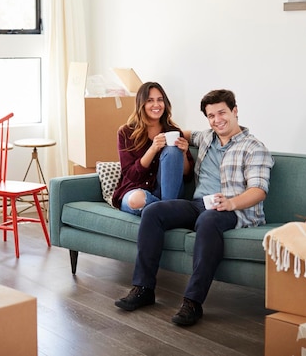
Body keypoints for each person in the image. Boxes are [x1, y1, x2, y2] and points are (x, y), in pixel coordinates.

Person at [114, 89, 274, 326]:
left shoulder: (254, 148)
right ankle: (143, 288)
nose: (217, 120)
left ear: (235, 111)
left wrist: (230, 202)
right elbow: (180, 133)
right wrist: (169, 139)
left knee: (207, 221)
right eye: (211, 116)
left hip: (231, 210)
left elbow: (258, 191)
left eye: (222, 113)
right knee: (153, 211)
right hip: (198, 204)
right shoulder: (207, 137)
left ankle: (192, 302)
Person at [112, 82, 194, 215]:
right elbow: (131, 174)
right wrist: (153, 149)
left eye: (160, 100)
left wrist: (183, 154)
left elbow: (187, 176)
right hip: (137, 189)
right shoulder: (126, 133)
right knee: (136, 200)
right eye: (150, 100)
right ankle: (169, 212)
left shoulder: (174, 131)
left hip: (169, 192)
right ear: (141, 104)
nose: (156, 105)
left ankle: (166, 210)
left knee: (172, 151)